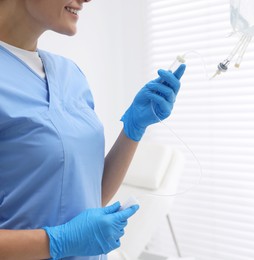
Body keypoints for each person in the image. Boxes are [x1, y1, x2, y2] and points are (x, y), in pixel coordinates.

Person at [0, 0, 186, 259]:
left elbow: (89, 197)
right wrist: (56, 242)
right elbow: (68, 237)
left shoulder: (70, 74)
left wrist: (134, 128)